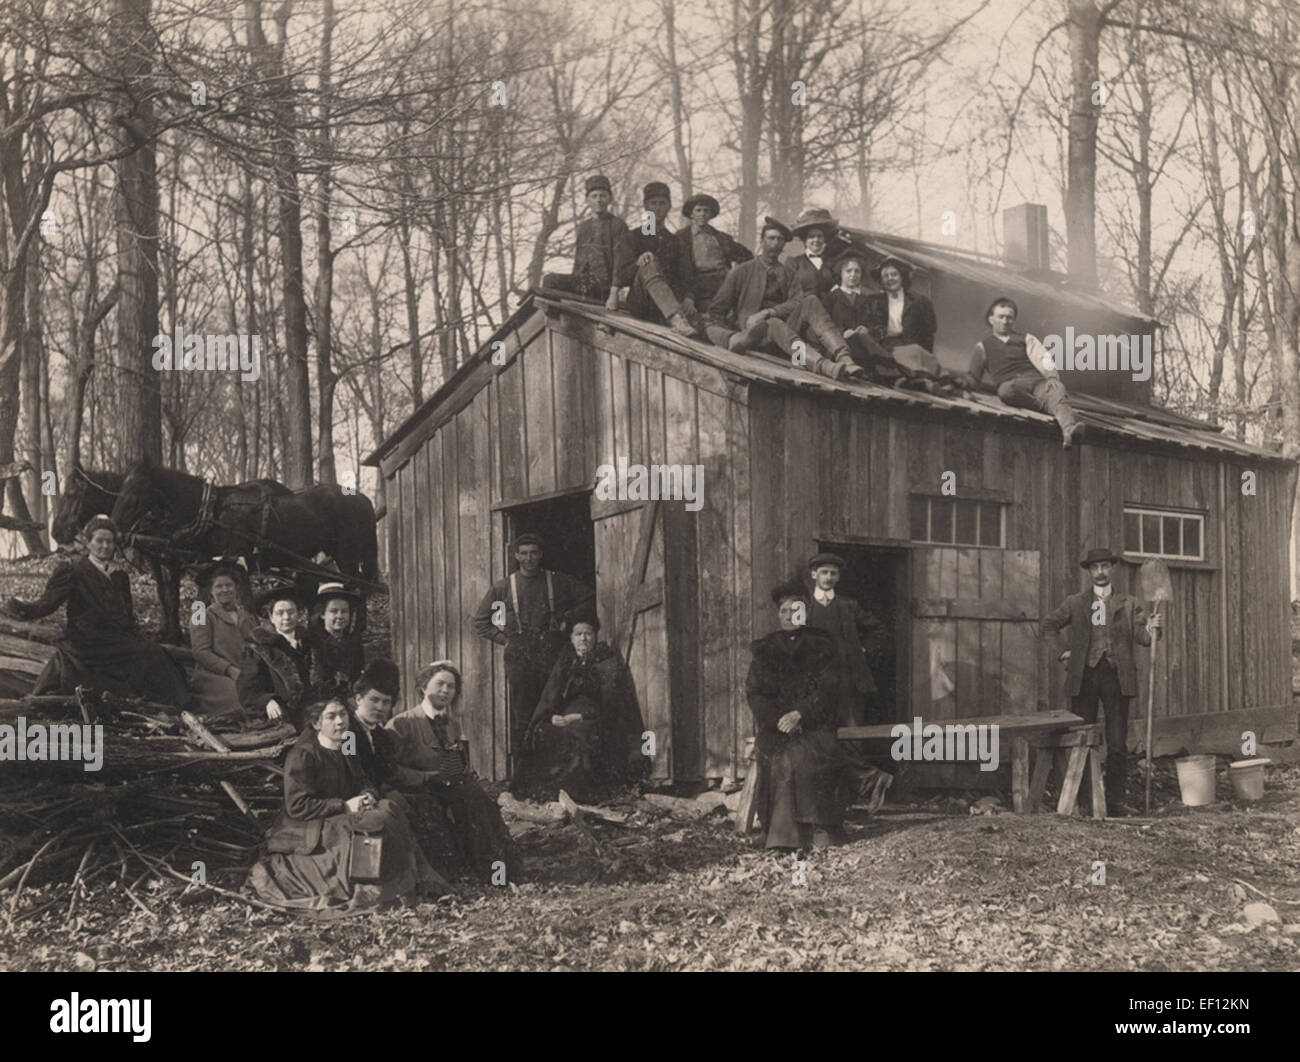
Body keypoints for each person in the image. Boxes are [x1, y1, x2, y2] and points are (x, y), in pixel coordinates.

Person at [247, 698, 445, 915]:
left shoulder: (348, 743)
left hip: (345, 813)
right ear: (316, 724)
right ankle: (370, 891)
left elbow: (363, 780)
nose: (340, 722)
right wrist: (344, 806)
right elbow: (298, 806)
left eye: (343, 715)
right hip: (309, 823)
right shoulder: (303, 755)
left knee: (390, 808)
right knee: (372, 824)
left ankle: (407, 883)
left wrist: (367, 795)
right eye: (331, 717)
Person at [2, 514, 191, 706]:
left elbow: (126, 613)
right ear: (88, 543)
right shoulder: (72, 569)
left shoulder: (120, 576)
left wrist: (135, 633)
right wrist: (22, 609)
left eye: (109, 542)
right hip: (86, 639)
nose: (105, 546)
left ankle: (166, 703)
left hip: (115, 637)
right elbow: (48, 603)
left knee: (153, 652)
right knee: (145, 652)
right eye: (99, 541)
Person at [1041, 548, 1161, 817]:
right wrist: (1063, 652)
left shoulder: (1128, 603)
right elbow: (1048, 625)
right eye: (1095, 568)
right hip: (1084, 677)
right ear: (1089, 572)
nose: (1101, 572)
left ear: (1112, 569)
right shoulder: (1075, 603)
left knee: (1117, 743)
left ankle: (1115, 803)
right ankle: (1085, 802)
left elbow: (1143, 636)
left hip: (1117, 678)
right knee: (1082, 740)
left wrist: (1152, 629)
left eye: (1105, 566)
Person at [746, 581, 858, 850]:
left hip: (814, 721)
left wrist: (800, 714)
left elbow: (830, 688)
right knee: (772, 752)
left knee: (810, 754)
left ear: (805, 613)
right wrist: (777, 720)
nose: (789, 616)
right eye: (784, 611)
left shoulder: (822, 645)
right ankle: (775, 831)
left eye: (795, 610)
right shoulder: (765, 649)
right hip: (777, 726)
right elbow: (756, 693)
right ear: (778, 615)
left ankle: (819, 828)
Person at [387, 661, 521, 883]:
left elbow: (454, 763)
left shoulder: (451, 725)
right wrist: (426, 777)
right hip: (416, 789)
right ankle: (482, 872)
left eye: (451, 687)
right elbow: (390, 770)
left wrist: (459, 770)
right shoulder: (401, 724)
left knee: (481, 803)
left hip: (447, 787)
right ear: (423, 687)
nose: (445, 691)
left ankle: (497, 871)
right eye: (439, 684)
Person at [470, 532, 595, 767]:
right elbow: (481, 622)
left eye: (534, 553)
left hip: (552, 650)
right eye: (524, 554)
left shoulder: (558, 582)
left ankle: (554, 768)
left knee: (552, 706)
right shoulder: (503, 588)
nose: (529, 558)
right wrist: (505, 640)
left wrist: (568, 620)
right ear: (516, 556)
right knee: (523, 712)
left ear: (541, 554)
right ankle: (524, 770)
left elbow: (588, 597)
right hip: (520, 654)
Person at [513, 610, 650, 803]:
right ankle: (552, 790)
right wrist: (551, 716)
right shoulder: (565, 662)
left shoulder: (607, 662)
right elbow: (550, 697)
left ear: (595, 636)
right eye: (578, 634)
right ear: (571, 638)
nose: (583, 638)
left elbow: (610, 704)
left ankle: (580, 793)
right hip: (564, 717)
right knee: (543, 732)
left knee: (581, 735)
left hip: (592, 718)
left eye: (588, 634)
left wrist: (578, 717)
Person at [707, 217, 865, 382]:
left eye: (780, 239)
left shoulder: (788, 274)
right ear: (762, 241)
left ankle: (844, 358)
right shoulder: (742, 271)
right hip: (755, 336)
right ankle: (823, 366)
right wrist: (734, 336)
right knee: (773, 323)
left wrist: (769, 311)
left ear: (784, 245)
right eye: (771, 238)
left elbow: (797, 301)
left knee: (810, 300)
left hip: (786, 338)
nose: (775, 243)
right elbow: (715, 312)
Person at [962, 296, 1085, 449]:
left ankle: (1069, 431)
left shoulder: (1026, 339)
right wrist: (966, 388)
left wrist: (1052, 376)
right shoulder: (982, 347)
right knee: (1006, 392)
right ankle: (1049, 407)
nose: (1005, 321)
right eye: (1001, 317)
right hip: (1011, 385)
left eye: (1009, 317)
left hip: (1036, 381)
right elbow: (974, 376)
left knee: (1056, 388)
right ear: (991, 319)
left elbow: (1043, 357)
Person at [610, 182, 700, 338]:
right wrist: (638, 263)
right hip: (642, 304)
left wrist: (689, 298)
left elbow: (687, 276)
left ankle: (676, 316)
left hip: (666, 306)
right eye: (653, 203)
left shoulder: (676, 241)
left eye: (662, 203)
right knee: (649, 261)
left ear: (669, 206)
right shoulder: (634, 237)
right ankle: (675, 318)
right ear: (646, 206)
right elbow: (621, 275)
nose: (658, 208)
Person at [803, 553, 879, 727]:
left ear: (838, 577)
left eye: (833, 573)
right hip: (816, 680)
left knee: (851, 729)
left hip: (847, 681)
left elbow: (877, 628)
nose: (828, 577)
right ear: (814, 574)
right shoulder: (804, 606)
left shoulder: (849, 606)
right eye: (824, 572)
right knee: (818, 730)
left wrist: (863, 648)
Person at [239, 584, 316, 729]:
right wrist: (267, 701)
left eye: (291, 612)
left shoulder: (310, 642)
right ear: (271, 617)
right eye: (280, 613)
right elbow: (248, 688)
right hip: (283, 713)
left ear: (298, 615)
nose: (286, 617)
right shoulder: (259, 646)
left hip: (314, 710)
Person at [541, 174, 628, 302]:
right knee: (550, 280)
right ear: (588, 200)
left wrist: (614, 293)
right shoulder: (583, 228)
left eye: (602, 195)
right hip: (582, 284)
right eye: (594, 196)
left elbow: (621, 263)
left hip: (604, 287)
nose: (598, 200)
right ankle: (552, 320)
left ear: (609, 198)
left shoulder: (617, 225)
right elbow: (578, 262)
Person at [188, 563, 258, 716]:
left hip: (245, 672)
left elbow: (255, 643)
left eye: (229, 585)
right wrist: (229, 670)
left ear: (236, 588)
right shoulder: (200, 614)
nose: (225, 589)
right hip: (215, 676)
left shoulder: (245, 615)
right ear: (211, 591)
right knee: (241, 702)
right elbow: (201, 652)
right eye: (219, 586)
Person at [673, 193, 753, 311]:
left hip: (724, 282)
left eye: (706, 210)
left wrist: (737, 271)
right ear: (691, 214)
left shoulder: (721, 238)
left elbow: (747, 256)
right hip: (698, 285)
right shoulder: (680, 237)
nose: (702, 214)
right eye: (698, 210)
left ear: (711, 214)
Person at [863, 257, 938, 354]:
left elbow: (929, 332)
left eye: (894, 274)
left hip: (912, 352)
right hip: (883, 351)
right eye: (885, 276)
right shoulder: (873, 301)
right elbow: (868, 327)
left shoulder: (920, 301)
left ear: (902, 276)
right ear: (881, 280)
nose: (890, 278)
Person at [309, 582, 366, 700]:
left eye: (344, 611)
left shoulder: (353, 644)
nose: (340, 616)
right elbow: (317, 682)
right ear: (322, 614)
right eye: (334, 611)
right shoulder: (313, 643)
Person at [785, 208, 840, 300]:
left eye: (819, 236)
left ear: (824, 239)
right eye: (811, 237)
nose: (816, 240)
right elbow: (790, 292)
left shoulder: (833, 262)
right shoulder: (794, 263)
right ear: (805, 240)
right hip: (803, 309)